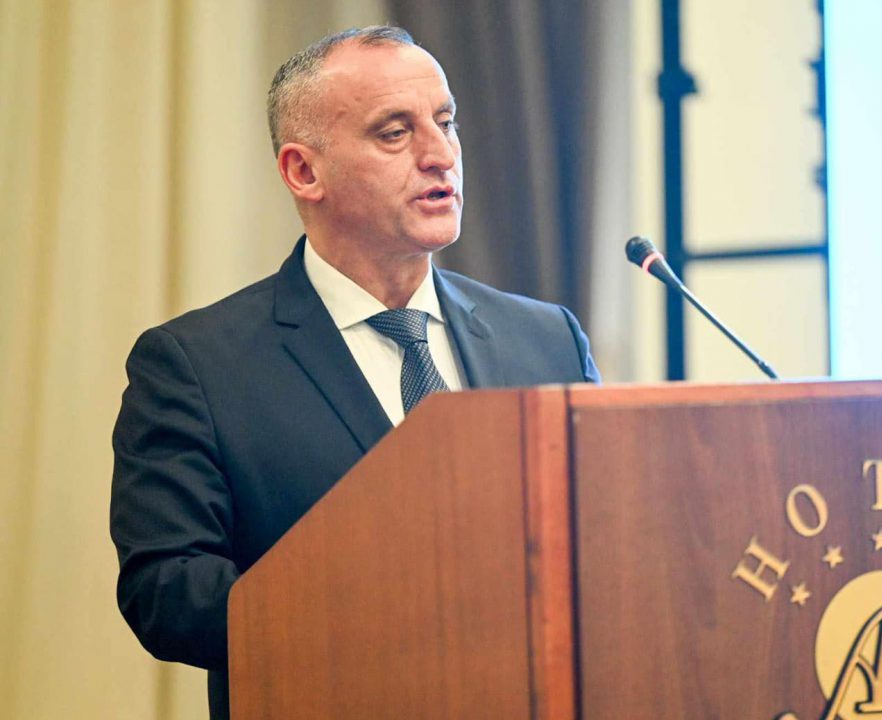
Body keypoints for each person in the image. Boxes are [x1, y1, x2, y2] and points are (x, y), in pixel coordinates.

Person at [110, 25, 599, 719]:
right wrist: (385, 608)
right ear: (303, 172)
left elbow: (604, 539)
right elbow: (166, 591)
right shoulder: (197, 366)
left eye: (446, 122)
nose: (440, 155)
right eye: (395, 133)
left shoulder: (546, 340)